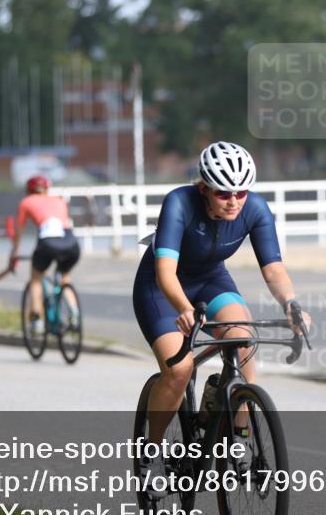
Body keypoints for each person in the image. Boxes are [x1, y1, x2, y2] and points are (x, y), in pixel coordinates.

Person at [132, 141, 311, 491]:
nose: (233, 201)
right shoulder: (179, 202)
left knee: (244, 342)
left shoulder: (255, 209)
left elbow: (274, 270)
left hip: (212, 281)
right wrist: (184, 309)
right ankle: (150, 453)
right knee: (180, 368)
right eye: (223, 193)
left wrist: (291, 305)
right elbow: (166, 273)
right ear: (204, 188)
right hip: (162, 289)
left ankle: (237, 439)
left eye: (241, 192)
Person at [9, 175, 81, 335]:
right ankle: (74, 312)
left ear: (29, 190)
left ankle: (37, 321)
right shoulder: (59, 200)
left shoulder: (26, 202)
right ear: (47, 189)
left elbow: (18, 232)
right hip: (71, 243)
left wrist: (14, 254)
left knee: (36, 277)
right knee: (64, 278)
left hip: (48, 243)